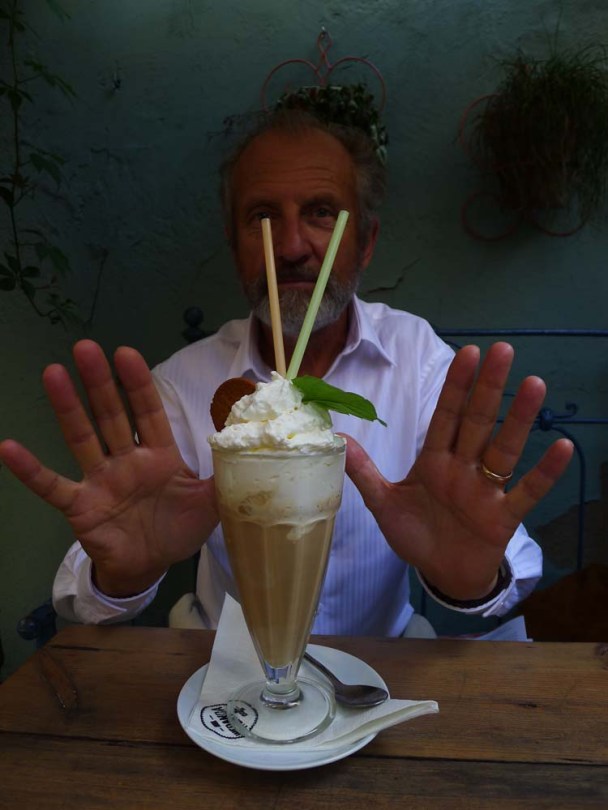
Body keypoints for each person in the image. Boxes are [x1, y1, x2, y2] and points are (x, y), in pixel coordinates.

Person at [0, 109, 573, 637]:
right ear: (235, 246)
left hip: (376, 674)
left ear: (366, 243)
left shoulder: (419, 362)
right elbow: (88, 594)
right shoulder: (180, 384)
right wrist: (123, 573)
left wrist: (470, 576)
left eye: (321, 212)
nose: (293, 246)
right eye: (263, 217)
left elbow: (493, 557)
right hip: (231, 674)